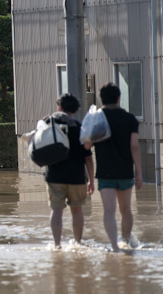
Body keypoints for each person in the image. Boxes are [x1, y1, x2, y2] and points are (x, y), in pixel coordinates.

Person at [84, 82, 143, 251]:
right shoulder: (130, 118)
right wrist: (138, 172)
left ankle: (114, 246)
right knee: (126, 210)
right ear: (118, 98)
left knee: (109, 211)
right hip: (125, 172)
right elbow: (134, 146)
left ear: (101, 99)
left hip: (105, 173)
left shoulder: (97, 118)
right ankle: (125, 241)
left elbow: (87, 146)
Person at [44, 93, 95, 249]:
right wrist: (91, 180)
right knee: (77, 210)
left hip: (54, 176)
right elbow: (88, 157)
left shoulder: (48, 123)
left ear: (59, 106)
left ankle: (57, 245)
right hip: (77, 176)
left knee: (56, 210)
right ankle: (77, 244)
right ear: (75, 110)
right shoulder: (80, 128)